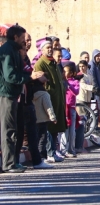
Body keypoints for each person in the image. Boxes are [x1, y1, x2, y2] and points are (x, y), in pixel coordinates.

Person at [1, 25, 46, 173]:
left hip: (14, 95)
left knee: (15, 129)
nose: (25, 41)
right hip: (6, 94)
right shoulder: (8, 51)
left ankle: (12, 161)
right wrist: (29, 77)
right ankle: (8, 164)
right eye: (22, 38)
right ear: (15, 37)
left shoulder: (14, 50)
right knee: (8, 130)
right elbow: (10, 76)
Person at [16, 33, 54, 169]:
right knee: (19, 131)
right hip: (19, 99)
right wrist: (33, 77)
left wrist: (36, 78)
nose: (28, 42)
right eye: (25, 40)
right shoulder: (17, 57)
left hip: (28, 98)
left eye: (29, 40)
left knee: (32, 131)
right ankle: (14, 161)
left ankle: (37, 161)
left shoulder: (25, 57)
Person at [34, 46, 67, 162]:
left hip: (57, 100)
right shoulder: (41, 63)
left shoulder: (54, 63)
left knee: (55, 128)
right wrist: (51, 93)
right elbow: (43, 83)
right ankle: (49, 152)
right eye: (47, 48)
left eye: (51, 48)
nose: (50, 50)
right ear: (42, 50)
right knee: (47, 127)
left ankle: (53, 150)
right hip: (47, 100)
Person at [75, 60, 93, 153]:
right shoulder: (79, 75)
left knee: (86, 121)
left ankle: (81, 143)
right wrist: (92, 88)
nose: (82, 68)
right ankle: (79, 145)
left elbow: (92, 83)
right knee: (81, 122)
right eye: (80, 66)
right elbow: (83, 85)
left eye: (83, 66)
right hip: (80, 99)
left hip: (88, 99)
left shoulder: (89, 75)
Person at [63, 62, 80, 158]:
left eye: (66, 71)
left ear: (72, 73)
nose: (65, 73)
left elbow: (76, 92)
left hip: (72, 108)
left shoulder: (75, 82)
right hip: (64, 107)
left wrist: (70, 86)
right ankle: (63, 149)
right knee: (64, 130)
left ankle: (71, 149)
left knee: (72, 130)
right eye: (64, 71)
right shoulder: (62, 82)